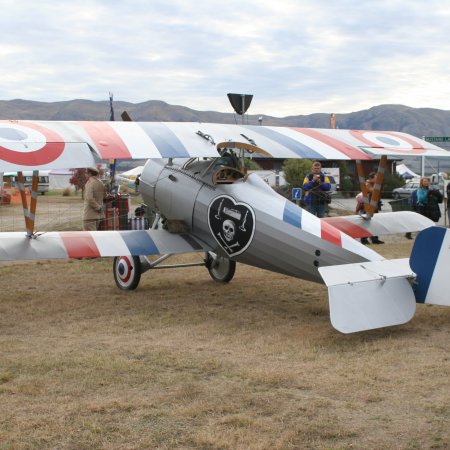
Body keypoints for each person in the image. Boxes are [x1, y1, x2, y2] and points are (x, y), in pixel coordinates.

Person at [360, 172, 384, 245]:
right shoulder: (367, 184)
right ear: (371, 178)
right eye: (375, 178)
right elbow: (373, 191)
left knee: (375, 222)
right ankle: (363, 239)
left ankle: (375, 239)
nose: (377, 179)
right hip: (368, 207)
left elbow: (379, 192)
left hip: (374, 206)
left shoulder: (373, 184)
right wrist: (378, 185)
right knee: (366, 223)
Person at [83, 167, 106, 231]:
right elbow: (104, 196)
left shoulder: (90, 183)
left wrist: (97, 207)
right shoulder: (101, 183)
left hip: (89, 215)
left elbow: (89, 198)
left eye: (86, 173)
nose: (85, 175)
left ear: (90, 174)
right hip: (98, 215)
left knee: (89, 237)